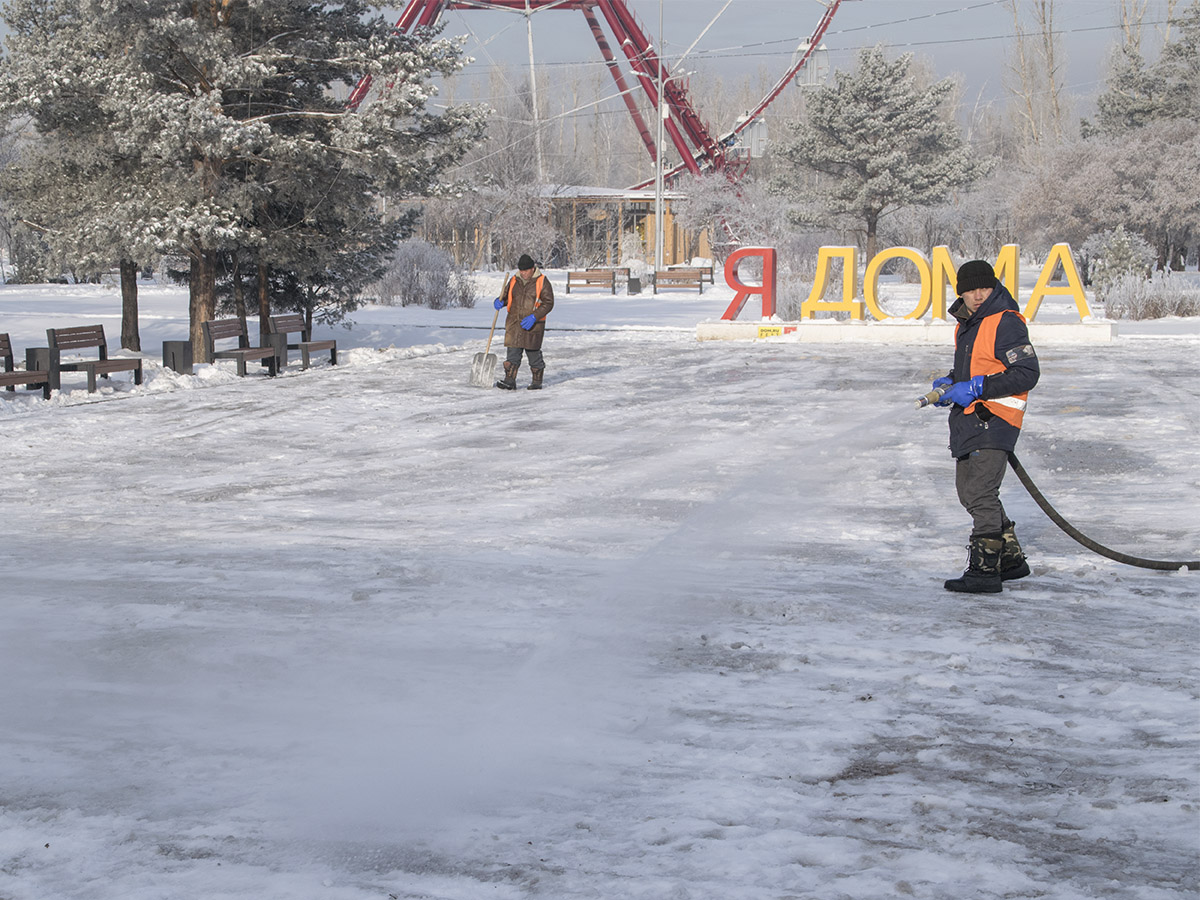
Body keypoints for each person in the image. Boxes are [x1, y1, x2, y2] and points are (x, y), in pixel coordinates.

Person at [933, 259, 1040, 594]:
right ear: (960, 293)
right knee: (970, 492)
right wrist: (950, 384)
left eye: (984, 288)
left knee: (980, 492)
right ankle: (1009, 560)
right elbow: (973, 369)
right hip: (972, 420)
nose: (978, 295)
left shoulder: (1005, 322)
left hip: (996, 418)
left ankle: (984, 571)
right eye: (970, 290)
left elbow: (1027, 373)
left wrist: (978, 388)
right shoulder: (968, 324)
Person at [494, 254, 555, 390]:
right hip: (514, 323)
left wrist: (534, 316)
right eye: (521, 270)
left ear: (532, 269)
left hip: (533, 325)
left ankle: (537, 382)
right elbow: (506, 297)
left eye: (526, 270)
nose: (523, 273)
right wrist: (500, 301)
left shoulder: (542, 281)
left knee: (533, 354)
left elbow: (549, 303)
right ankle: (509, 380)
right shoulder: (514, 280)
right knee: (512, 354)